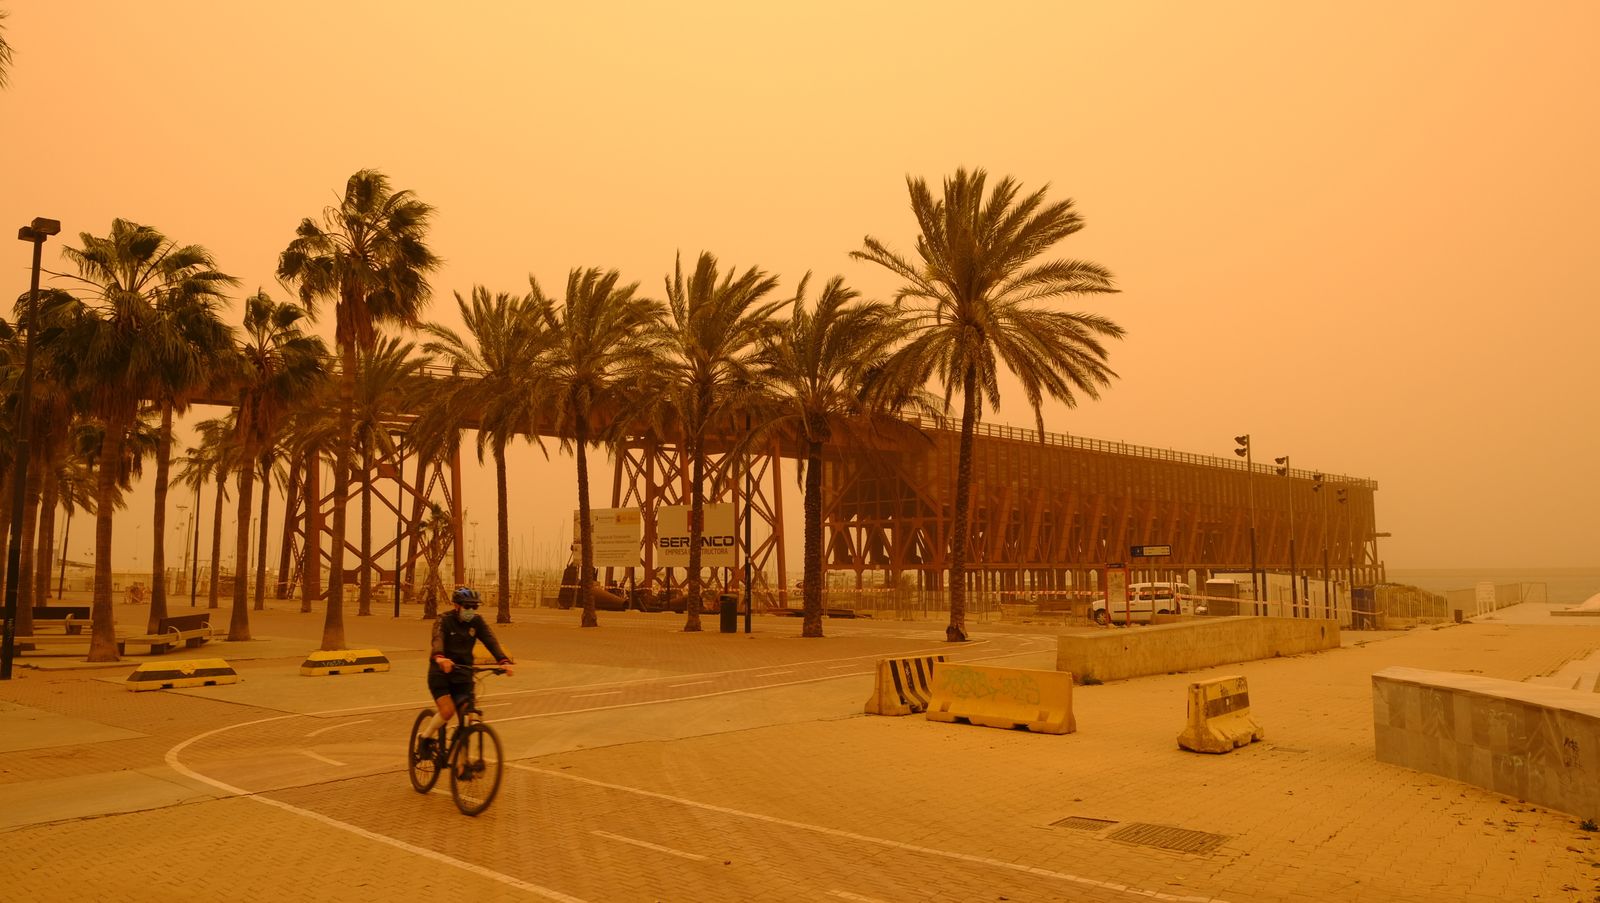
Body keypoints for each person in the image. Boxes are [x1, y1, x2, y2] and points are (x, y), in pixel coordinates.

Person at [416, 586, 514, 754]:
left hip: (463, 674)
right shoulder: (444, 620)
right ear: (456, 606)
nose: (471, 611)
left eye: (474, 607)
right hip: (441, 674)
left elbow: (490, 640)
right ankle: (425, 738)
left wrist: (503, 661)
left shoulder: (477, 622)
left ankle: (462, 764)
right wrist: (440, 657)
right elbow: (437, 639)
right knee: (447, 711)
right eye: (467, 607)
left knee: (468, 718)